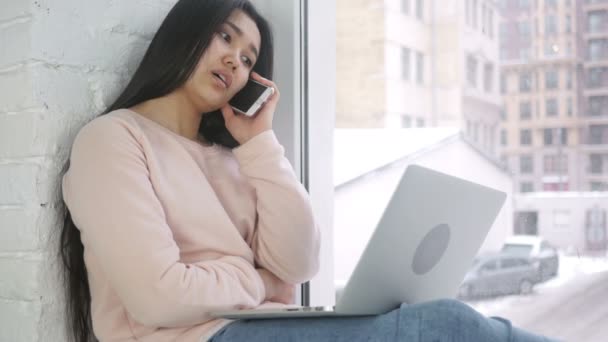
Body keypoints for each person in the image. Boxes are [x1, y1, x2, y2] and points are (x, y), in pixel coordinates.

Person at [57, 0, 558, 341]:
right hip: (195, 338)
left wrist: (259, 144)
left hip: (253, 327)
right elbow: (157, 299)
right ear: (186, 34)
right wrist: (254, 279)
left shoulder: (235, 158)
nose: (234, 59)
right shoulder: (114, 139)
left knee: (468, 323)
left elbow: (297, 265)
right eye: (225, 37)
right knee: (449, 326)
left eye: (248, 56)